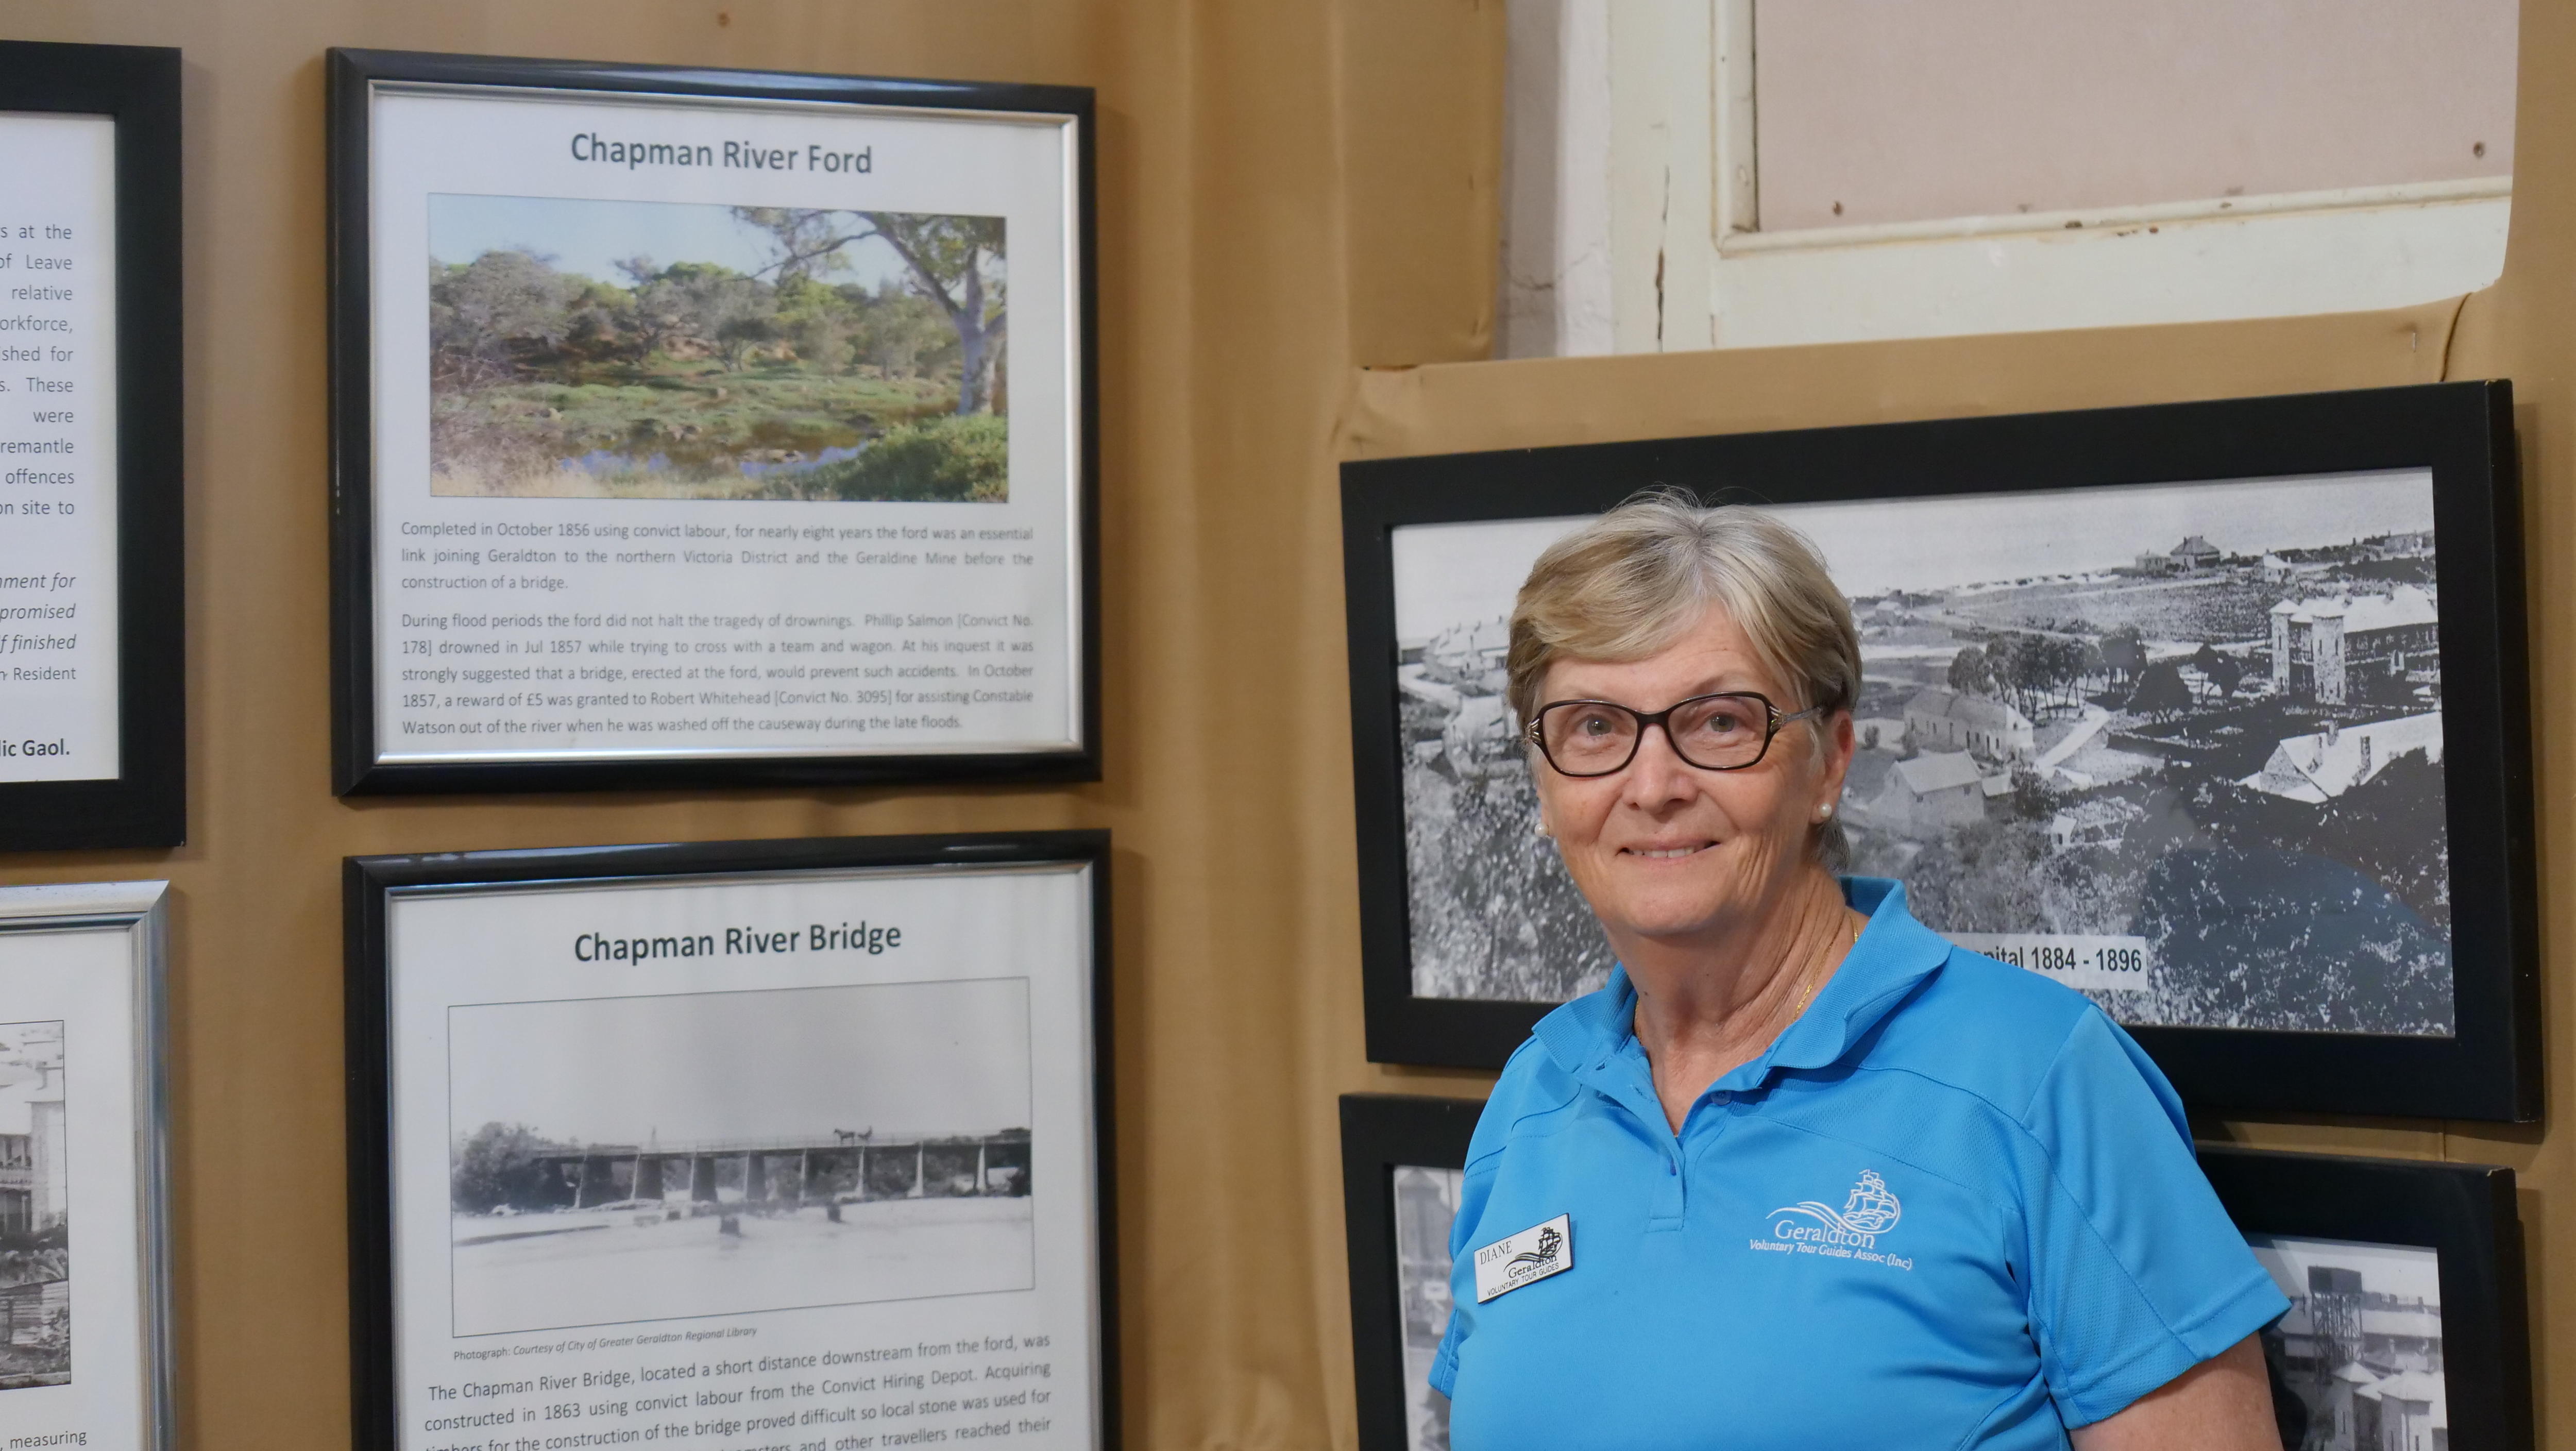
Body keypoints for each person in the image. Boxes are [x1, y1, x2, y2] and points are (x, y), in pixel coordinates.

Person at [1429, 492, 2289, 1449]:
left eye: (1718, 722)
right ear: (1543, 784)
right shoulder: (1530, 1103)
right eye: (1593, 727)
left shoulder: (2038, 1078)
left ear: (1831, 762)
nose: (1654, 785)